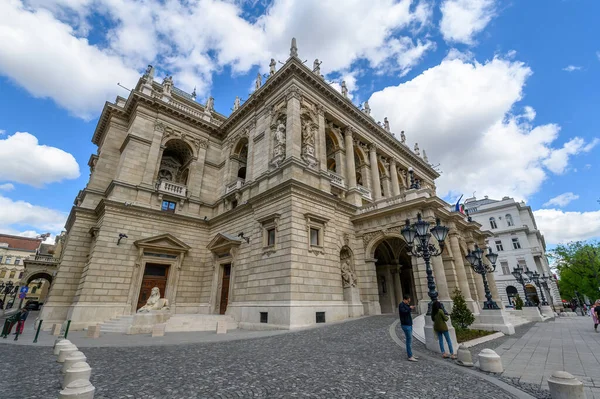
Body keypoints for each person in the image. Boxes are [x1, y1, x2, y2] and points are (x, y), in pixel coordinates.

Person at [399, 295, 418, 362]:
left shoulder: (405, 305)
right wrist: (409, 308)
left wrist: (409, 307)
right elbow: (404, 312)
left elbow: (406, 310)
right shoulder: (401, 305)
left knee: (409, 340)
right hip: (405, 325)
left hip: (408, 324)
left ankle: (411, 354)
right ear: (405, 299)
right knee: (409, 340)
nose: (408, 302)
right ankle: (410, 356)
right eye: (408, 301)